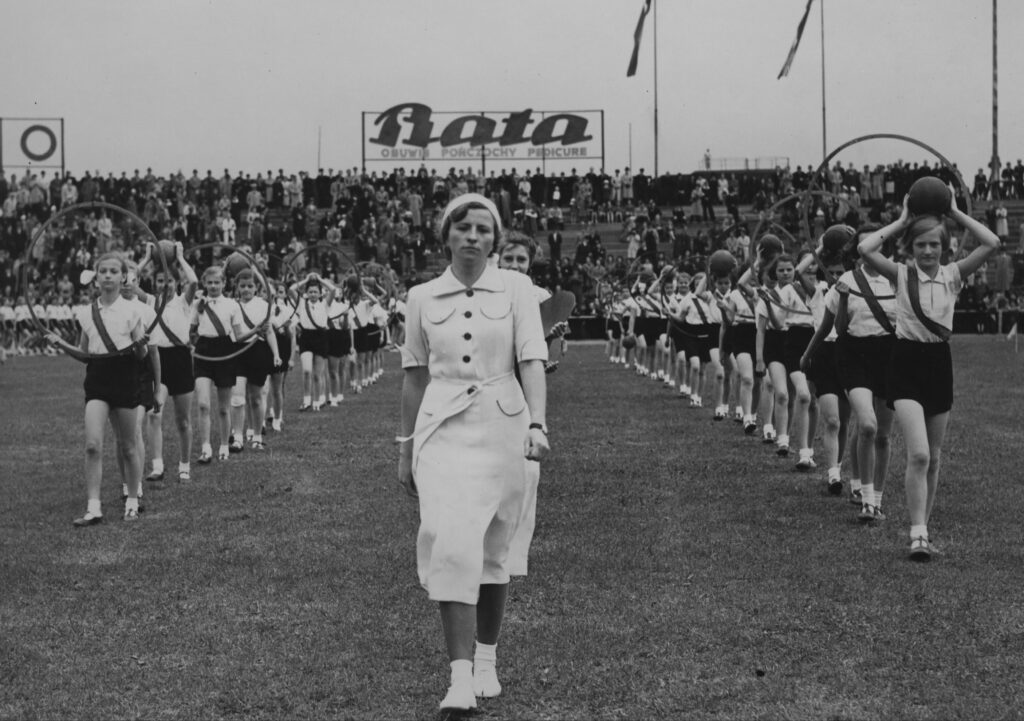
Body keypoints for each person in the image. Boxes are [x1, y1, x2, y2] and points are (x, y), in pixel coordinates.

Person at [398, 193, 549, 711]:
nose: (473, 237)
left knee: (492, 550)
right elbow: (414, 375)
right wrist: (405, 448)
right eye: (463, 227)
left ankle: (487, 659)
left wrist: (537, 421)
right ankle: (459, 677)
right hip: (440, 431)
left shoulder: (518, 288)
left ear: (496, 239)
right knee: (451, 543)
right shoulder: (420, 297)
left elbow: (531, 358)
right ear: (445, 235)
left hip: (503, 427)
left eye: (484, 230)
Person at [858, 193, 999, 560]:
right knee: (918, 454)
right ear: (911, 247)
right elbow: (866, 248)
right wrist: (904, 220)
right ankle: (916, 534)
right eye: (920, 245)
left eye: (934, 244)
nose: (927, 251)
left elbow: (993, 242)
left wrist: (953, 212)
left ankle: (924, 530)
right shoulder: (902, 274)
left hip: (939, 364)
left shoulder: (954, 275)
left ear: (945, 246)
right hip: (905, 364)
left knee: (934, 458)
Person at [46, 253, 150, 525]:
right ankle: (94, 506)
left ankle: (132, 500)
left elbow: (141, 355)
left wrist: (141, 346)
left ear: (123, 276)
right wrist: (61, 344)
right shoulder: (86, 313)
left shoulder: (132, 310)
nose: (107, 275)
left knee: (128, 446)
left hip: (126, 377)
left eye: (113, 271)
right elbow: (85, 355)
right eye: (102, 271)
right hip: (98, 381)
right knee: (92, 445)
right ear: (96, 276)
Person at [143, 242, 198, 483]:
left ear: (176, 284)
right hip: (159, 362)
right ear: (155, 284)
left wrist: (180, 258)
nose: (165, 286)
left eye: (170, 281)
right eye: (160, 282)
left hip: (181, 360)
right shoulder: (150, 302)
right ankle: (157, 465)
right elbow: (128, 284)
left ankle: (184, 464)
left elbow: (194, 282)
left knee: (183, 420)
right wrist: (146, 258)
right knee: (154, 415)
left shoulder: (183, 302)